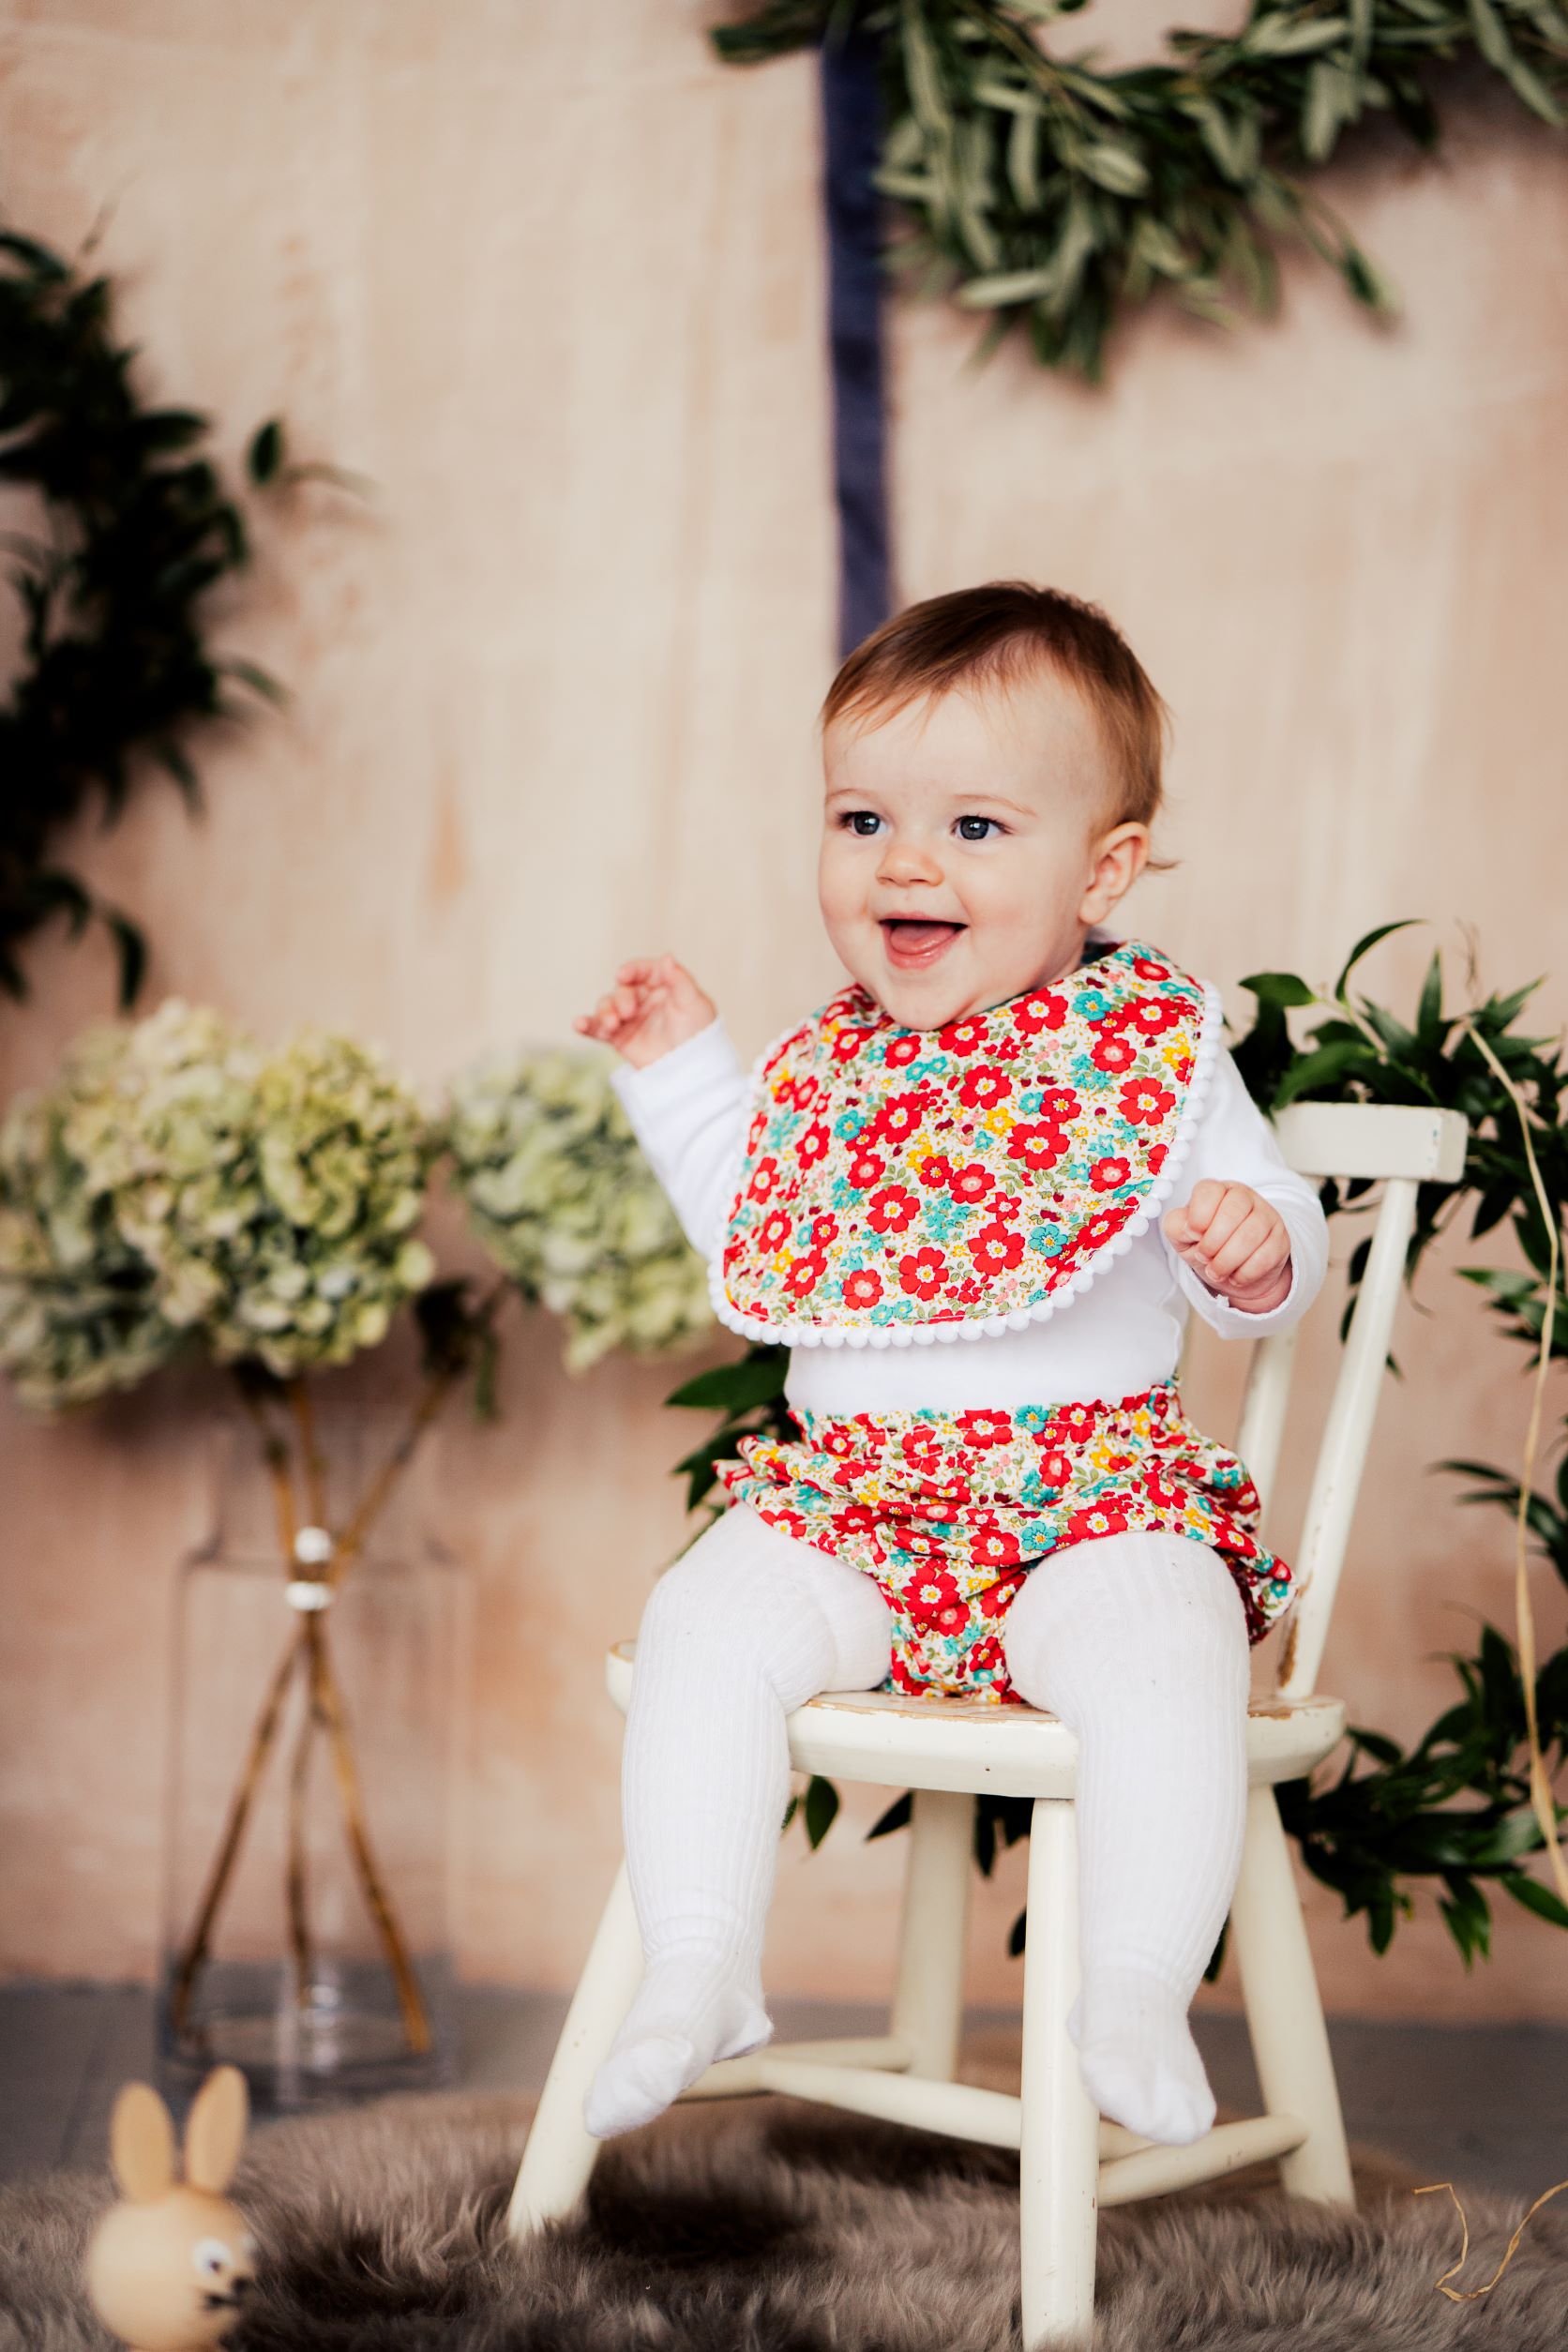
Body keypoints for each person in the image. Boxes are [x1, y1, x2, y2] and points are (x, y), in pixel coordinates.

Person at [573, 580, 1328, 2150]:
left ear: (1102, 868)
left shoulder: (1143, 1047)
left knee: (1168, 1646)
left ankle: (1127, 1982)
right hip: (847, 1512)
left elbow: (1273, 1226)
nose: (905, 862)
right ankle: (705, 1957)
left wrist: (1253, 1246)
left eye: (976, 828)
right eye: (863, 818)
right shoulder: (835, 1063)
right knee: (703, 1622)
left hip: (1086, 1517)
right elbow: (764, 1239)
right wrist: (685, 1073)